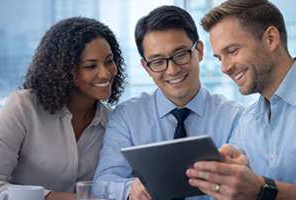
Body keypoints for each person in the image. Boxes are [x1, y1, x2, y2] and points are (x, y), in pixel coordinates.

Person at [93, 6, 244, 200]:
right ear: (146, 67)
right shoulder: (127, 117)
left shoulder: (235, 117)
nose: (172, 70)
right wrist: (131, 188)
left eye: (180, 55)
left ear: (199, 51)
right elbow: (103, 181)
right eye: (157, 61)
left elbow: (241, 182)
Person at [0, 17, 127, 200]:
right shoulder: (23, 107)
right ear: (63, 70)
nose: (106, 73)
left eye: (109, 61)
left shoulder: (114, 123)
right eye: (90, 66)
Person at [186, 0, 296, 199]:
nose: (225, 68)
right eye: (220, 58)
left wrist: (263, 190)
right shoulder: (247, 121)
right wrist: (227, 173)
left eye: (232, 51)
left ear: (271, 39)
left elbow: (256, 188)